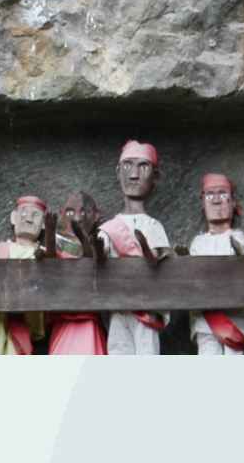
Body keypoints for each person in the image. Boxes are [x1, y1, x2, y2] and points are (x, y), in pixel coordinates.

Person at [98, 140, 172, 354]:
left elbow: (162, 264)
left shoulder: (154, 226)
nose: (134, 174)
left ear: (155, 176)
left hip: (146, 310)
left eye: (143, 166)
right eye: (127, 165)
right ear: (118, 171)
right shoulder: (107, 228)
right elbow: (99, 256)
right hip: (118, 308)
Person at [186, 173, 244, 355]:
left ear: (233, 202)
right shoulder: (197, 243)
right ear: (203, 203)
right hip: (206, 322)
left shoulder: (241, 239)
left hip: (235, 321)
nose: (216, 200)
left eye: (223, 194)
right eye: (210, 195)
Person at [0, 195, 51, 354]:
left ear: (43, 223)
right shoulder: (1, 249)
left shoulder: (44, 254)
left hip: (27, 319)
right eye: (23, 213)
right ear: (13, 217)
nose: (28, 219)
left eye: (35, 215)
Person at [47, 192, 108, 354]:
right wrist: (50, 234)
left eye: (84, 212)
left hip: (88, 319)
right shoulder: (60, 246)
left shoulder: (99, 242)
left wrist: (83, 238)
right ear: (61, 214)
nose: (77, 218)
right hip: (63, 318)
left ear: (96, 215)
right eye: (70, 213)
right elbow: (50, 264)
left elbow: (92, 262)